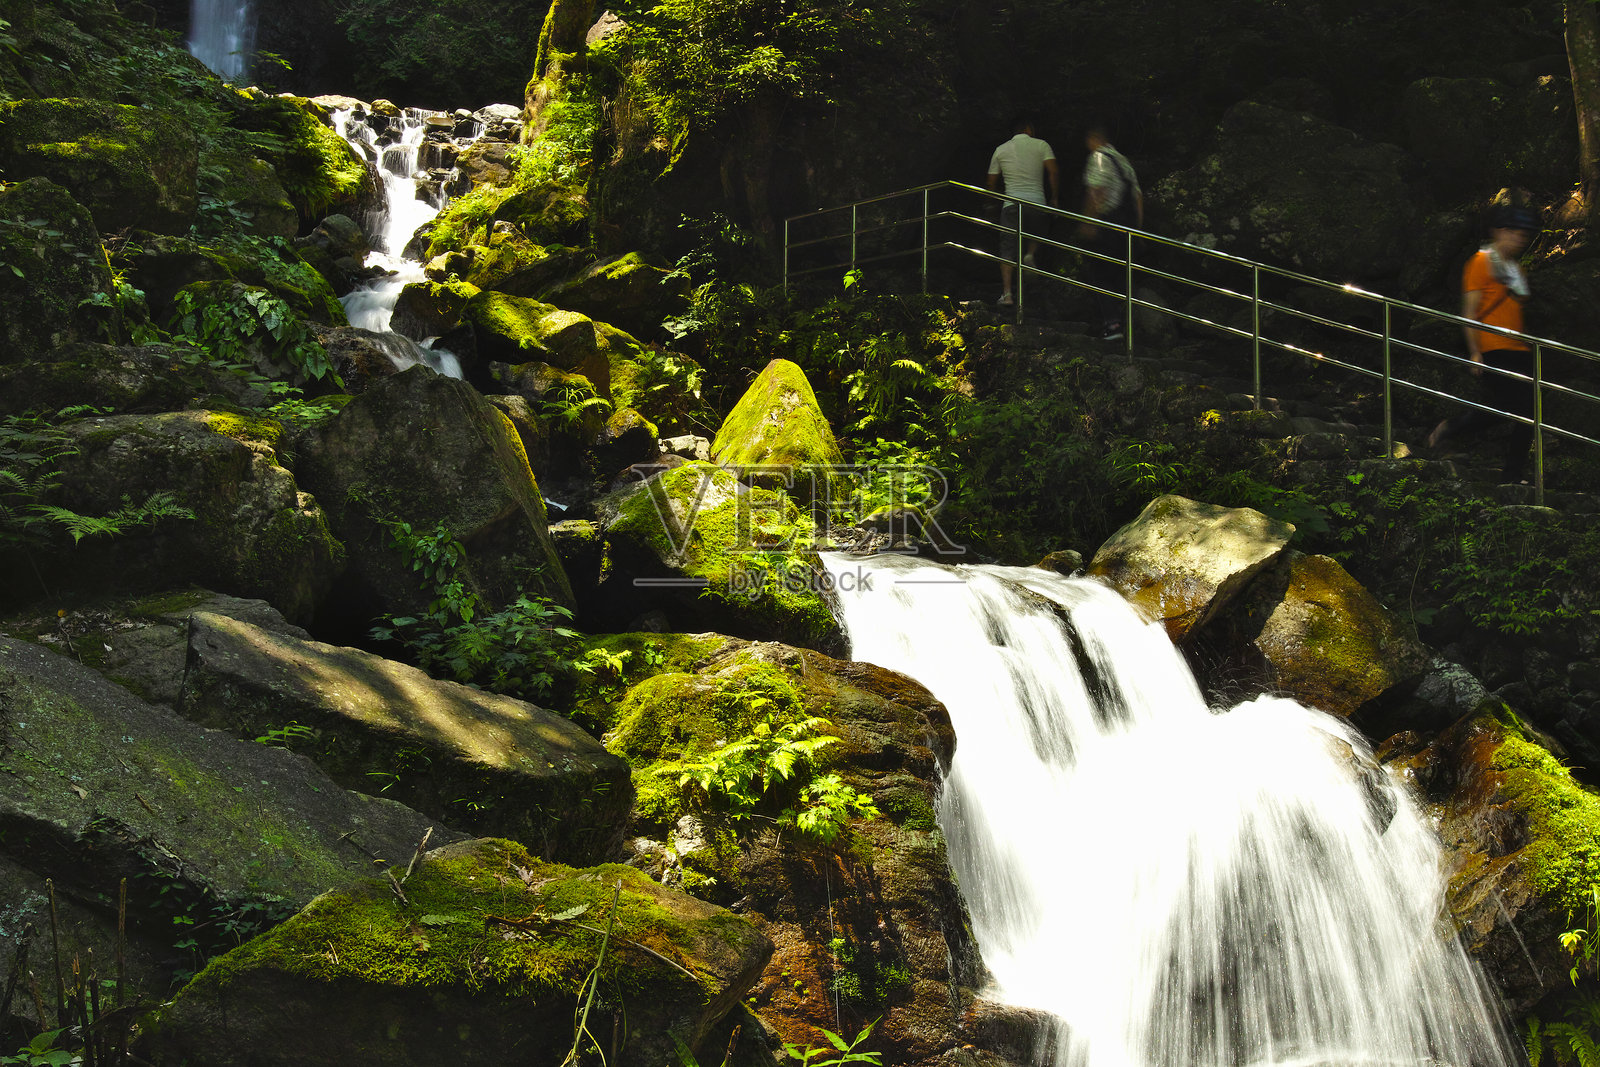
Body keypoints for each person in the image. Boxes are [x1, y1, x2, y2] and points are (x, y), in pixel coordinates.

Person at [1425, 204, 1540, 483]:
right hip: (1492, 347)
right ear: (1501, 231)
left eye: (1524, 235)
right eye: (1516, 233)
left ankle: (1511, 471)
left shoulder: (1516, 269)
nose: (1520, 240)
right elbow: (1469, 311)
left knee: (1525, 412)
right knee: (1519, 410)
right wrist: (1475, 352)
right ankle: (1452, 429)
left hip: (1520, 351)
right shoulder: (1480, 262)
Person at [1077, 123, 1143, 341]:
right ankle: (1131, 328)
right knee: (1121, 275)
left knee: (1099, 273)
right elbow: (1137, 198)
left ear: (1094, 138)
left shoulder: (1098, 157)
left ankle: (1113, 325)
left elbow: (1097, 191)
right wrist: (1137, 229)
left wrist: (1088, 222)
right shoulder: (1123, 162)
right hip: (1126, 229)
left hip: (1106, 226)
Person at [987, 115, 1059, 307]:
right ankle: (1030, 254)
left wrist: (996, 202)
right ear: (1028, 129)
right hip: (1037, 202)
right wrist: (1054, 198)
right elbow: (1053, 171)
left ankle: (1008, 294)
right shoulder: (1042, 145)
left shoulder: (1000, 150)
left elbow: (991, 182)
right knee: (1037, 231)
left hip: (1011, 204)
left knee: (1007, 249)